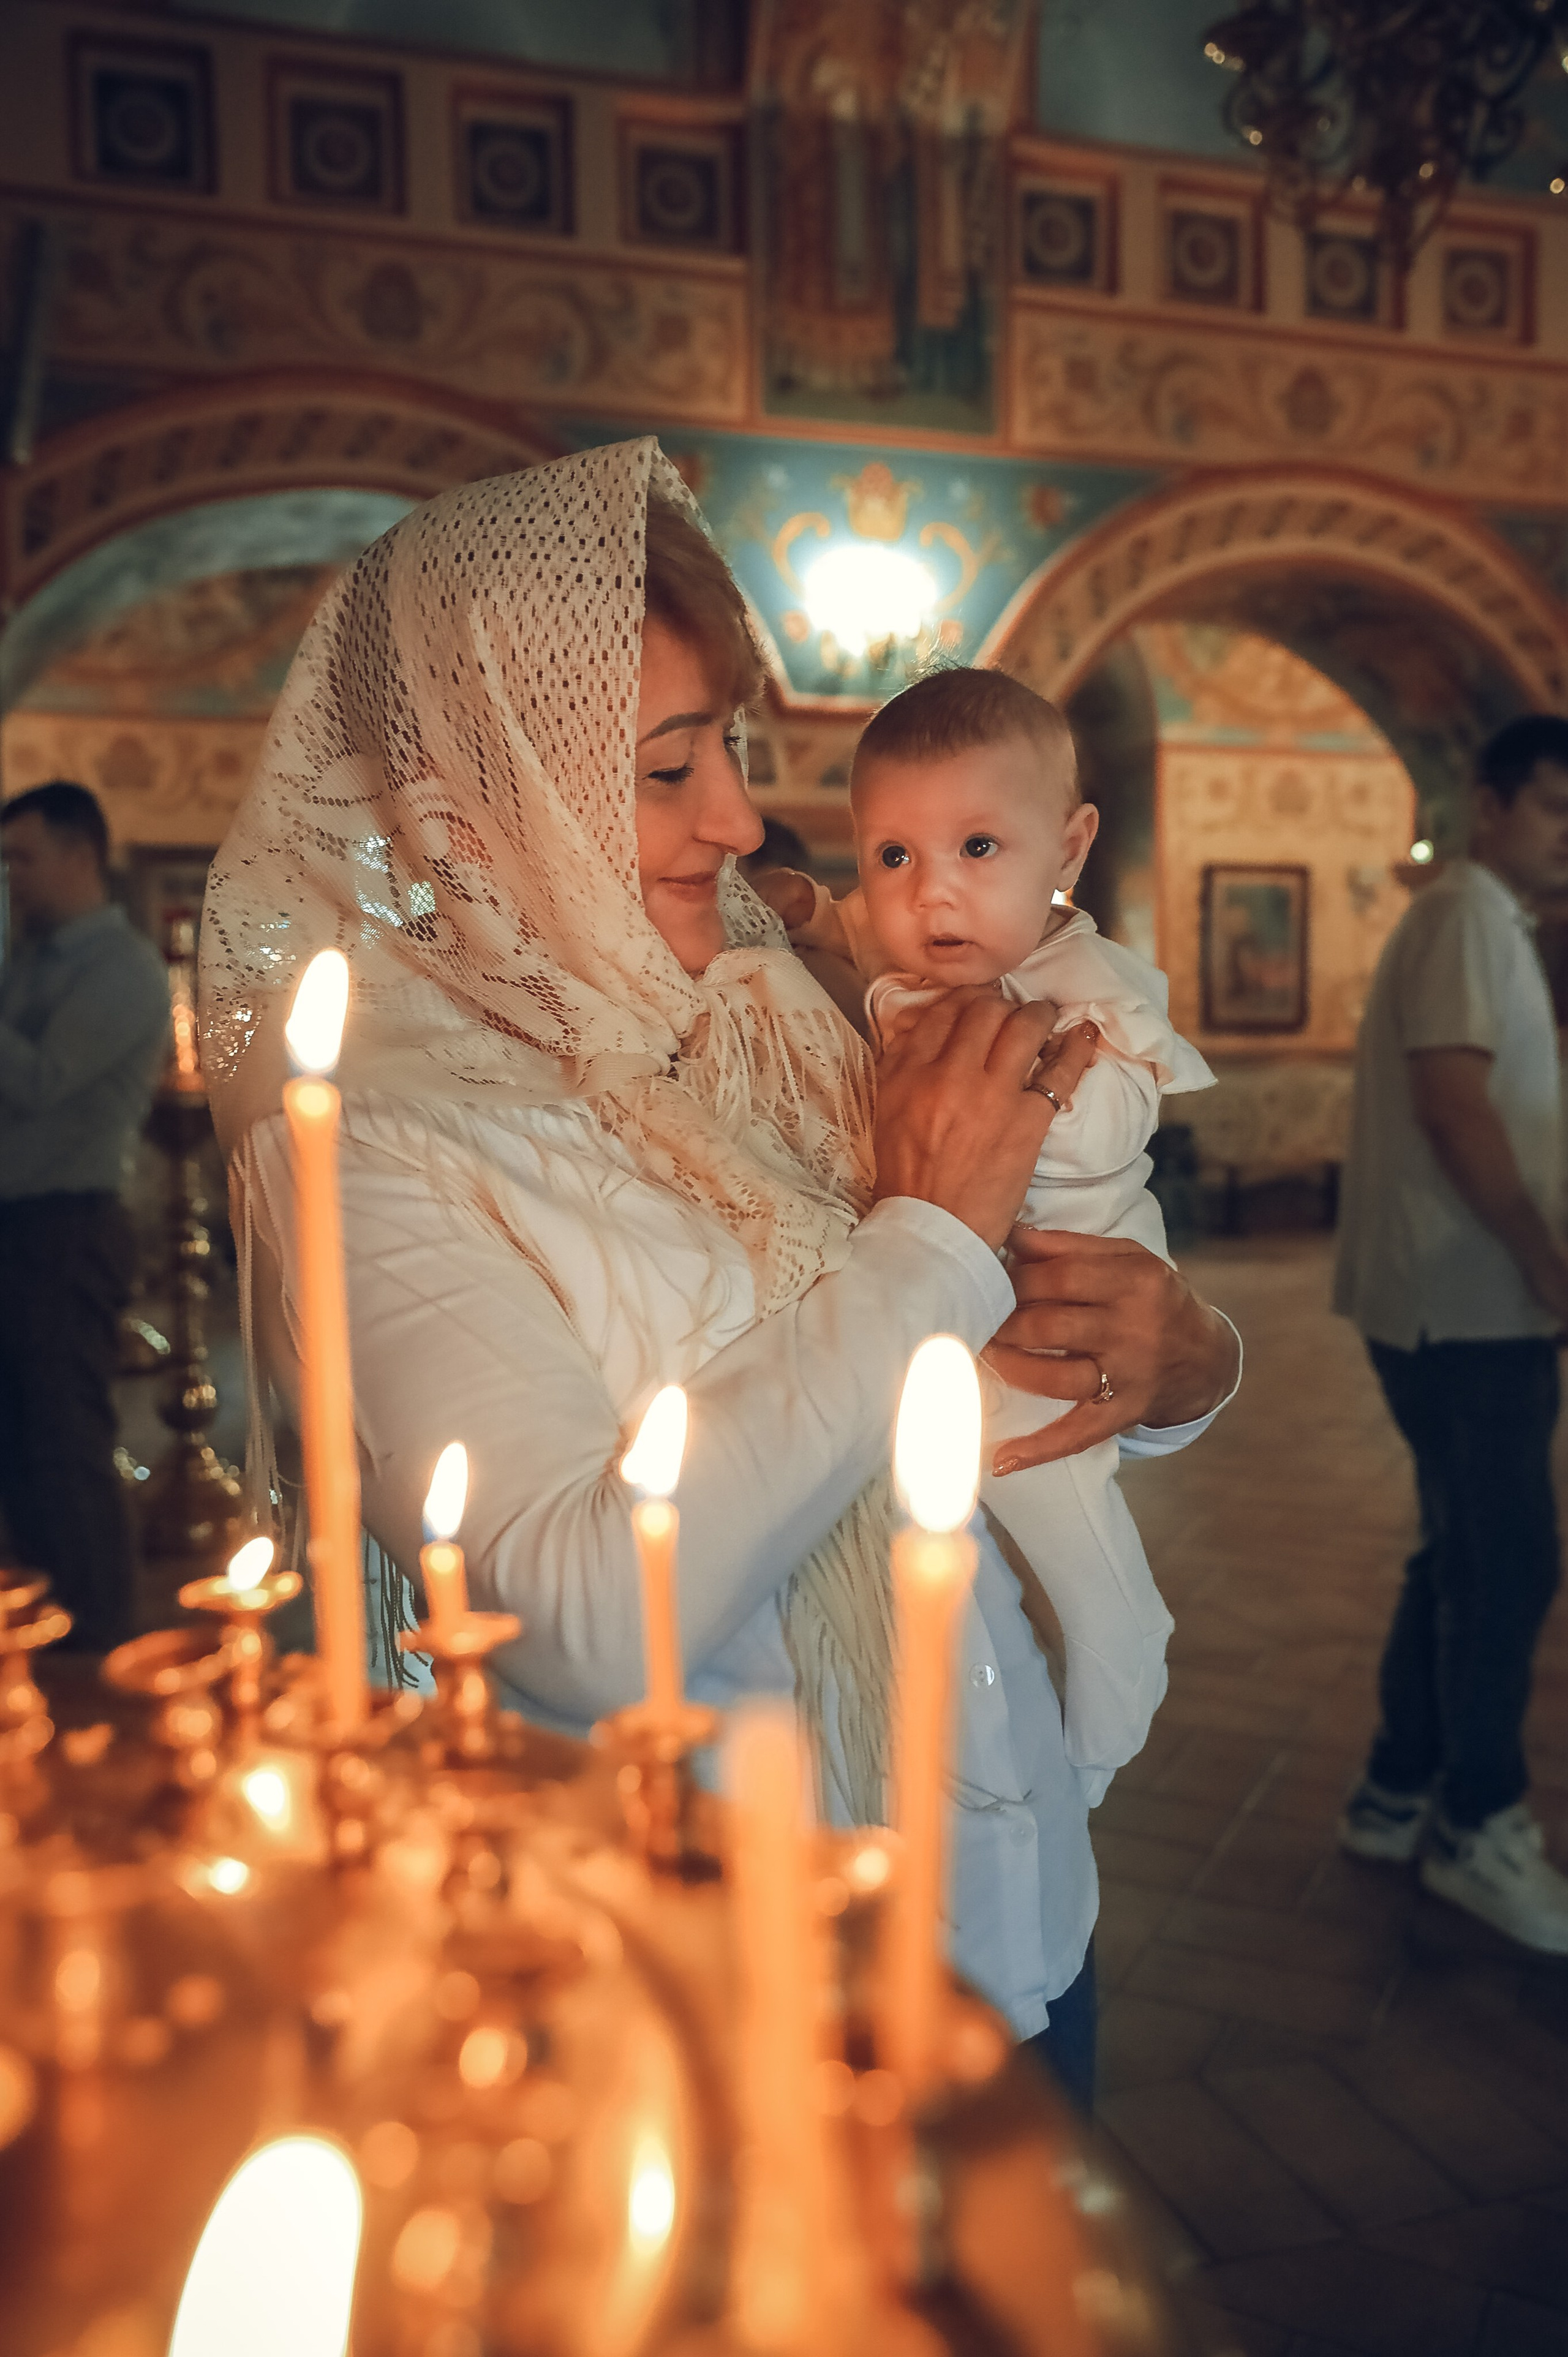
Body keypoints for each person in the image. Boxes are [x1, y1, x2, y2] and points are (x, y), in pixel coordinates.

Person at [198, 440, 1240, 2109]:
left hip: (1014, 1888)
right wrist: (926, 1237)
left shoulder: (766, 1000)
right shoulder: (379, 1138)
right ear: (476, 800)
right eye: (668, 766)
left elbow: (1022, 1321)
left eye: (733, 750)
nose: (741, 819)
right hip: (746, 2001)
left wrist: (1184, 1367)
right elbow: (581, 1623)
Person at [752, 668, 1213, 1798]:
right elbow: (843, 934)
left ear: (1069, 849)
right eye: (893, 856)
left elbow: (1109, 1128)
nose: (932, 895)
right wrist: (806, 911)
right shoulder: (916, 957)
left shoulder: (1082, 988)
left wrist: (1014, 1080)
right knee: (971, 1542)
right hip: (955, 1306)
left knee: (1058, 1513)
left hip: (1064, 1309)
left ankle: (1116, 1686)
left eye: (977, 848)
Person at [1335, 715, 1568, 1953]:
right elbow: (1454, 1102)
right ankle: (1478, 1825)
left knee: (1460, 1550)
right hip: (1468, 1303)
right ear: (1488, 803)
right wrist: (1546, 1262)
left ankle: (1395, 1790)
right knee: (1507, 1562)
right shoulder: (1470, 915)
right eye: (1554, 809)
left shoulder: (1479, 920)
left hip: (1449, 1300)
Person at [0, 780, 170, 1650]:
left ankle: (106, 1648)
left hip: (65, 1226)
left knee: (66, 1445)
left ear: (81, 856)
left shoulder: (125, 970)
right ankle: (43, 1641)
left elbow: (37, 1084)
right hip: (18, 1226)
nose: (11, 877)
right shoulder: (27, 959)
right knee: (19, 1448)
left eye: (22, 857)